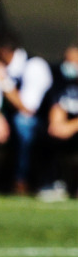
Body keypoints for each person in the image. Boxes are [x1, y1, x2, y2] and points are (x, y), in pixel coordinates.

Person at [0, 30, 53, 194]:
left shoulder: (35, 65)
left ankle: (22, 179)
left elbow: (28, 108)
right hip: (6, 121)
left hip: (38, 123)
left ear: (3, 51)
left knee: (23, 124)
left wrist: (4, 81)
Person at [40, 43, 78, 199]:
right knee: (46, 136)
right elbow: (56, 113)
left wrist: (71, 127)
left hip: (73, 128)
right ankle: (53, 183)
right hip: (66, 130)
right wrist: (60, 126)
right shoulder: (60, 82)